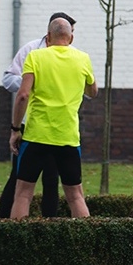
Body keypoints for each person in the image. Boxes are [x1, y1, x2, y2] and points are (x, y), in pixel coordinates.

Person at [9, 16, 98, 218]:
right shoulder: (83, 58)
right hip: (67, 137)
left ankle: (16, 238)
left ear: (48, 37)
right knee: (76, 196)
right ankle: (88, 238)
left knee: (23, 194)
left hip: (36, 136)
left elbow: (23, 95)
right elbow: (92, 92)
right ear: (71, 38)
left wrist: (15, 129)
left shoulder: (35, 57)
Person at [0, 11, 73, 218]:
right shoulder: (31, 50)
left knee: (51, 179)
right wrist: (30, 83)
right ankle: (3, 219)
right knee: (18, 176)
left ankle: (49, 223)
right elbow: (8, 80)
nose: (68, 37)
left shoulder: (72, 55)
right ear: (50, 33)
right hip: (30, 124)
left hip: (55, 126)